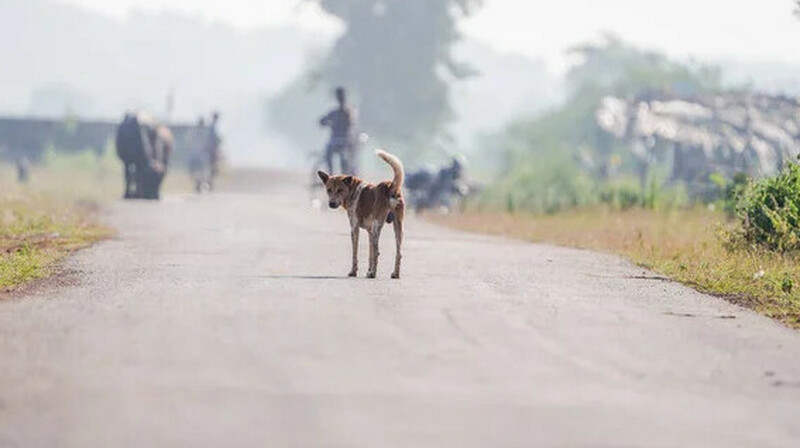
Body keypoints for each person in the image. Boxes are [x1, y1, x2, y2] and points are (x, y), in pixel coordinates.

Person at [319, 87, 357, 174]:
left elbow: (351, 123)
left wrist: (336, 125)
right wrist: (326, 123)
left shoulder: (349, 111)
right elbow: (322, 120)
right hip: (335, 140)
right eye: (339, 97)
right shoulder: (334, 112)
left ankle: (345, 174)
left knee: (345, 158)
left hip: (345, 140)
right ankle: (331, 174)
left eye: (341, 97)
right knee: (327, 154)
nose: (340, 99)